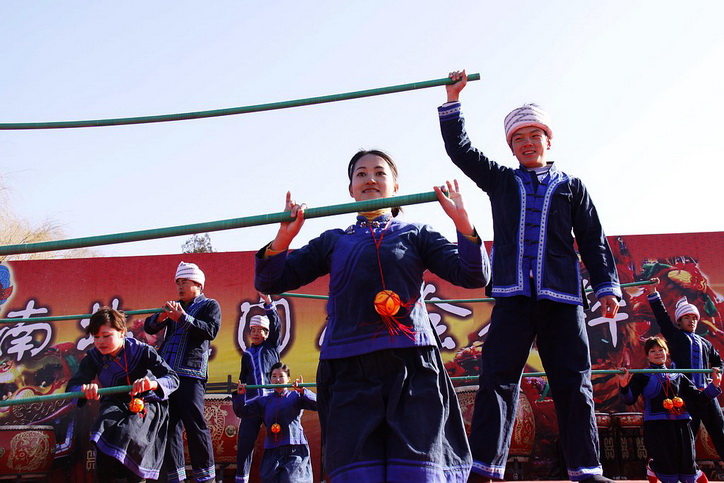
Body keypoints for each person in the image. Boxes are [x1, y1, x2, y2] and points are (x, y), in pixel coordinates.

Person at [255, 149, 490, 482]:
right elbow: (269, 281)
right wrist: (284, 237)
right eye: (361, 174)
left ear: (396, 186)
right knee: (357, 475)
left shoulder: (417, 234)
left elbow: (474, 274)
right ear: (350, 189)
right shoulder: (334, 241)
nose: (370, 180)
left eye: (380, 173)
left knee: (417, 475)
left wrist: (462, 222)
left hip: (413, 367)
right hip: (349, 370)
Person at [439, 70, 622, 482]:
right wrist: (453, 102)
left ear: (548, 140)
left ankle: (586, 469)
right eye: (517, 139)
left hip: (562, 298)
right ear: (511, 146)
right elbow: (462, 150)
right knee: (497, 380)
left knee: (574, 384)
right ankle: (485, 468)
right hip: (513, 297)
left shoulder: (572, 186)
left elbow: (593, 241)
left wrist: (606, 287)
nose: (526, 144)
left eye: (533, 136)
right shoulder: (501, 181)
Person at [67, 307, 179, 482]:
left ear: (121, 332)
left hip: (147, 403)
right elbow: (73, 387)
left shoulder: (142, 350)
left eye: (106, 335)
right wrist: (83, 391)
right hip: (114, 403)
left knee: (131, 434)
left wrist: (152, 383)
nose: (100, 342)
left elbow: (172, 378)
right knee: (101, 432)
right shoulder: (93, 357)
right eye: (96, 337)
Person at [144, 261, 221, 483]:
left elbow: (210, 331)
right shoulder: (173, 307)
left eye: (184, 281)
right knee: (168, 427)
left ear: (198, 284)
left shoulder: (210, 305)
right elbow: (150, 328)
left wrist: (183, 319)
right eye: (177, 282)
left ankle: (206, 478)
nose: (179, 286)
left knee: (195, 426)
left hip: (191, 375)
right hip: (167, 377)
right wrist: (160, 318)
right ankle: (175, 477)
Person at [618, 336, 721, 483]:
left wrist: (715, 385)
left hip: (682, 424)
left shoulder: (678, 375)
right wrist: (623, 384)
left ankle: (656, 467)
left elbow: (698, 399)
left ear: (666, 352)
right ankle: (654, 466)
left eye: (661, 350)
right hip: (657, 426)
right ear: (647, 355)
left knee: (687, 463)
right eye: (653, 351)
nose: (658, 353)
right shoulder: (642, 376)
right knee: (667, 466)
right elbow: (629, 399)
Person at [644, 277, 724, 460]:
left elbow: (718, 362)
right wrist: (653, 292)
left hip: (707, 393)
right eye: (687, 317)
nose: (692, 321)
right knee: (687, 435)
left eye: (694, 318)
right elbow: (662, 318)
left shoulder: (706, 343)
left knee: (720, 431)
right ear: (679, 321)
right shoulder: (675, 337)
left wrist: (716, 375)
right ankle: (685, 471)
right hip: (686, 395)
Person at [233, 362, 317, 483]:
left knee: (291, 480)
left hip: (294, 450)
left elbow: (319, 404)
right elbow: (242, 412)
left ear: (288, 378)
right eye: (274, 376)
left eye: (281, 376)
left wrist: (304, 392)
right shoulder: (264, 401)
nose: (277, 379)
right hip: (272, 450)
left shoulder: (296, 396)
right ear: (270, 379)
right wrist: (240, 396)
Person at [236, 292, 282, 483]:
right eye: (252, 330)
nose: (255, 333)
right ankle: (242, 480)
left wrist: (268, 302)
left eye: (259, 330)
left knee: (278, 441)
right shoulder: (246, 354)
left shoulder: (271, 346)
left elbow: (277, 325)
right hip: (253, 405)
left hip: (271, 402)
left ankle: (281, 478)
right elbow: (243, 377)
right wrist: (240, 393)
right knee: (245, 444)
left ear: (266, 333)